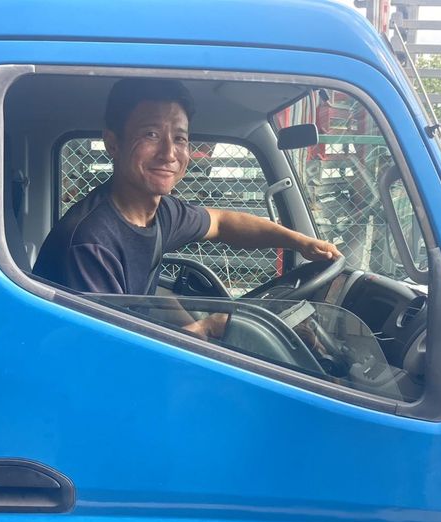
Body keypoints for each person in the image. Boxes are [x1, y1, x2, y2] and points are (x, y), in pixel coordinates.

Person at [33, 78, 341, 338]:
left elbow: (223, 223)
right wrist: (207, 328)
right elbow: (110, 356)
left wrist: (301, 243)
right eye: (151, 134)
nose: (169, 153)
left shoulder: (160, 212)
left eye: (179, 138)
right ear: (113, 143)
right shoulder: (91, 242)